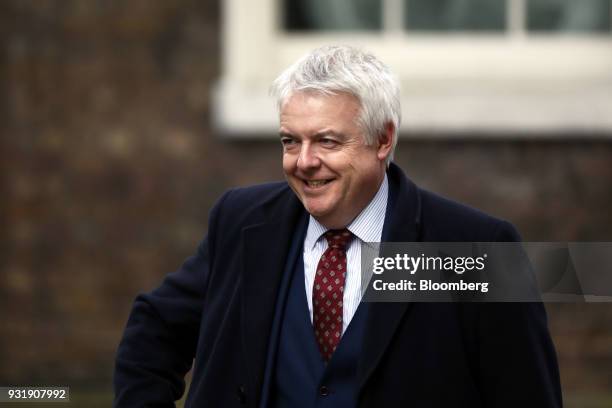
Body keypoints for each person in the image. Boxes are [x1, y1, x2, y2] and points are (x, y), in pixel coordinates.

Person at [114, 45, 562, 407]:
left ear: (383, 139)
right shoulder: (243, 221)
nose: (304, 162)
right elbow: (153, 331)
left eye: (327, 140)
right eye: (291, 141)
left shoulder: (474, 247)